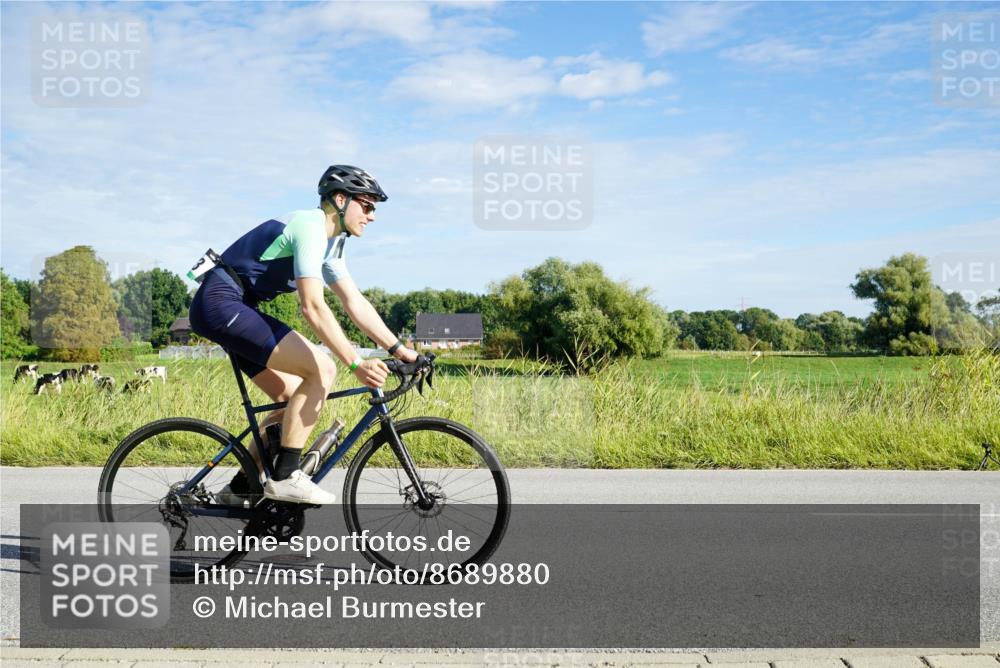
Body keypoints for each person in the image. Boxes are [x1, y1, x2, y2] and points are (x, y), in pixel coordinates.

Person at [188, 165, 418, 505]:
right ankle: (284, 478)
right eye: (367, 206)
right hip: (221, 304)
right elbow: (313, 307)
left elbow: (354, 301)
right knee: (322, 370)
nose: (372, 216)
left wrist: (401, 351)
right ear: (341, 200)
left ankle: (240, 488)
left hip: (237, 307)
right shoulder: (310, 228)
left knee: (291, 398)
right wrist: (356, 363)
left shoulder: (330, 243)